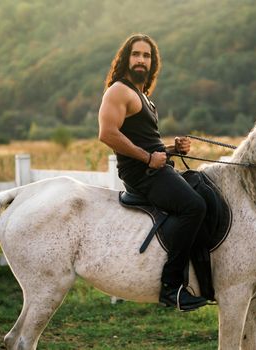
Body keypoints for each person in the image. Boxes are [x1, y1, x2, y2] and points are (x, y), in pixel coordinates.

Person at [98, 34, 207, 311]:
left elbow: (148, 143)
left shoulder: (144, 97)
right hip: (141, 175)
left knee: (202, 187)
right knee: (194, 206)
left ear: (152, 62)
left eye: (146, 56)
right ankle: (171, 287)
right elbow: (107, 133)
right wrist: (148, 158)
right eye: (136, 54)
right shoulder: (119, 91)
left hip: (153, 168)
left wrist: (172, 149)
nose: (141, 60)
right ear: (126, 58)